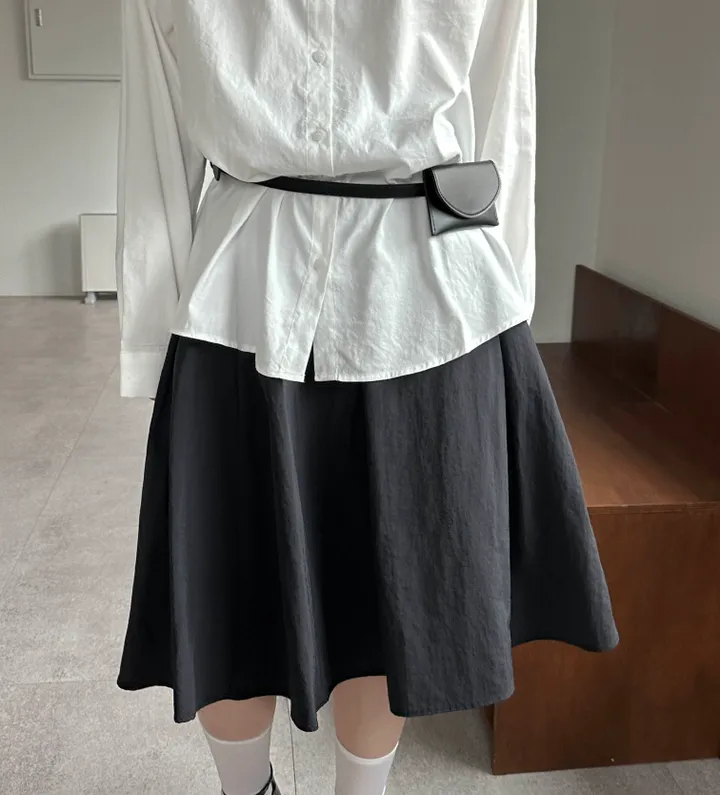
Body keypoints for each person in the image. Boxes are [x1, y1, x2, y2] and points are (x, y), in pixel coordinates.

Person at [115, 1, 619, 793]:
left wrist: (505, 309)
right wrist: (153, 345)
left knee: (383, 593)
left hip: (388, 297)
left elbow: (505, 113)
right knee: (235, 586)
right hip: (273, 297)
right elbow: (502, 122)